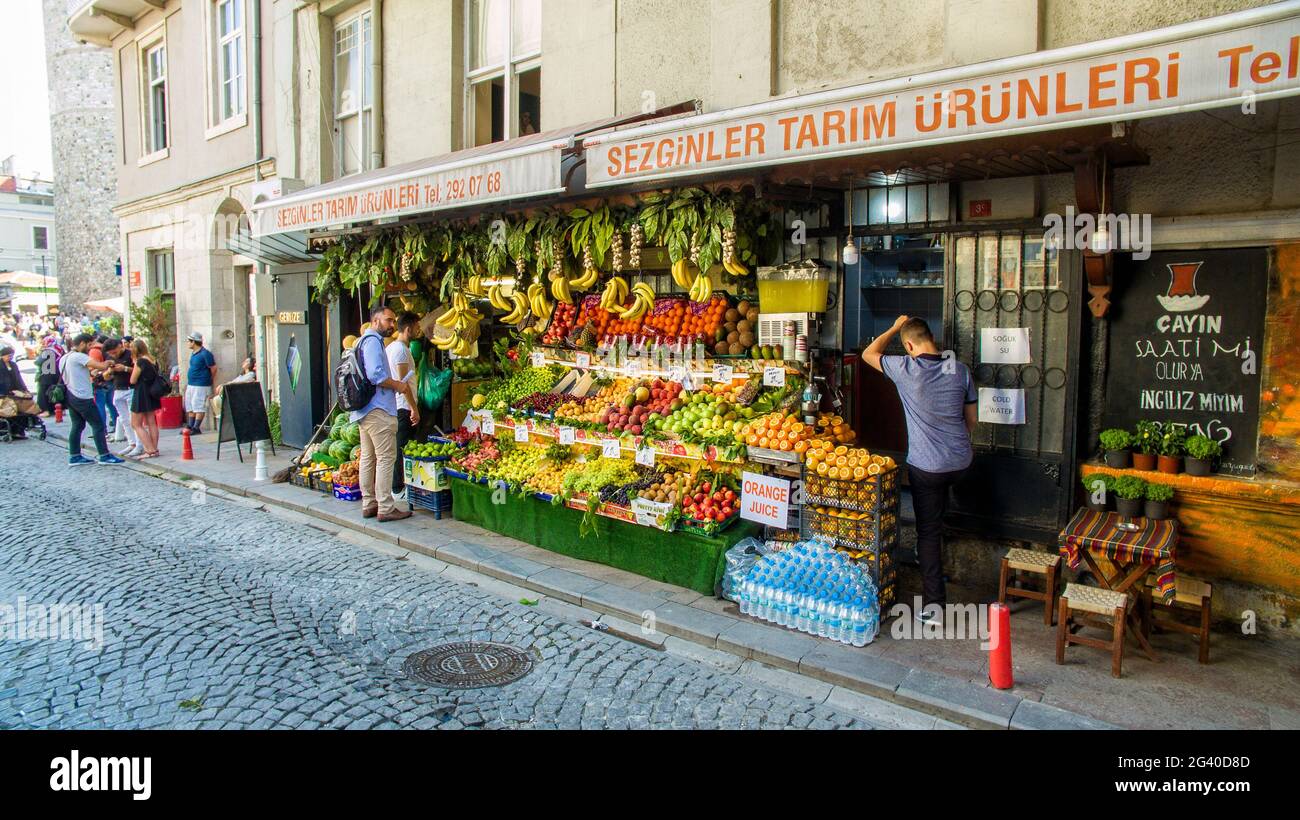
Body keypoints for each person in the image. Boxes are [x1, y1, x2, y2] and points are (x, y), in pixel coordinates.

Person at [862, 316, 977, 624]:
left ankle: (935, 607)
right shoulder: (960, 370)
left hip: (928, 467)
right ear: (932, 338)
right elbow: (972, 421)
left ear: (909, 345)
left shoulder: (907, 369)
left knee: (928, 532)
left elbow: (868, 354)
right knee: (939, 512)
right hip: (962, 463)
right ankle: (934, 549)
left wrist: (892, 327)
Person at [351, 305, 419, 522]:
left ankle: (369, 503)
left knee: (369, 458)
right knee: (386, 458)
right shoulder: (371, 342)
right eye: (388, 320)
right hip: (378, 409)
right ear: (375, 321)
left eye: (393, 320)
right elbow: (376, 375)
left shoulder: (363, 342)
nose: (392, 324)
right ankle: (386, 507)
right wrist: (398, 385)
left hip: (365, 409)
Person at [59, 333, 124, 465]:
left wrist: (92, 373)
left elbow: (80, 373)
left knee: (77, 426)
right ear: (82, 343)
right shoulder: (79, 356)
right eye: (89, 345)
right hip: (82, 396)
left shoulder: (65, 358)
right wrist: (109, 362)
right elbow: (101, 366)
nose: (90, 348)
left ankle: (75, 455)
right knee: (98, 425)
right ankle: (104, 455)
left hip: (70, 395)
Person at [385, 312, 420, 496]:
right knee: (401, 448)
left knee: (400, 447)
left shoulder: (392, 347)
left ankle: (400, 487)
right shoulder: (399, 350)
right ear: (408, 329)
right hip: (402, 407)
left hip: (398, 406)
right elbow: (402, 384)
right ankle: (397, 489)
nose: (419, 330)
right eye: (417, 327)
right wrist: (414, 409)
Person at [103, 338, 140, 456]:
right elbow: (105, 377)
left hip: (131, 389)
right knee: (124, 419)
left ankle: (139, 445)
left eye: (114, 352)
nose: (113, 355)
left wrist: (124, 368)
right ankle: (131, 443)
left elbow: (139, 370)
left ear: (120, 346)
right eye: (110, 353)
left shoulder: (130, 354)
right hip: (117, 389)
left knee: (134, 419)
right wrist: (109, 372)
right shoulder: (110, 359)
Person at [129, 339, 162, 459]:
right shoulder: (153, 360)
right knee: (151, 422)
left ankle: (149, 449)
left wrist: (134, 364)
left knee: (136, 424)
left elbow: (132, 380)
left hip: (141, 392)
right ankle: (155, 448)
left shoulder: (140, 361)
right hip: (152, 392)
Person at [0, 346, 40, 439]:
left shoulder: (13, 365)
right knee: (10, 409)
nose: (10, 357)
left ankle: (19, 431)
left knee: (23, 406)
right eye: (8, 356)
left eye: (11, 356)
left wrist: (24, 389)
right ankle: (8, 430)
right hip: (4, 393)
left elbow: (18, 378)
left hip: (15, 392)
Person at [183, 331, 217, 435]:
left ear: (194, 342)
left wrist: (210, 379)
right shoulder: (194, 354)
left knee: (198, 405)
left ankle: (196, 427)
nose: (188, 343)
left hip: (201, 384)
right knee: (190, 405)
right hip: (191, 383)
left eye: (189, 341)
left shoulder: (205, 354)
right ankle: (190, 425)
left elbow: (213, 368)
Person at [33, 335, 64, 417]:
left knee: (43, 393)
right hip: (57, 373)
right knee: (54, 391)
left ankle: (46, 410)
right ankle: (58, 408)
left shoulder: (47, 351)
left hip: (47, 374)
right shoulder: (59, 349)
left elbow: (38, 362)